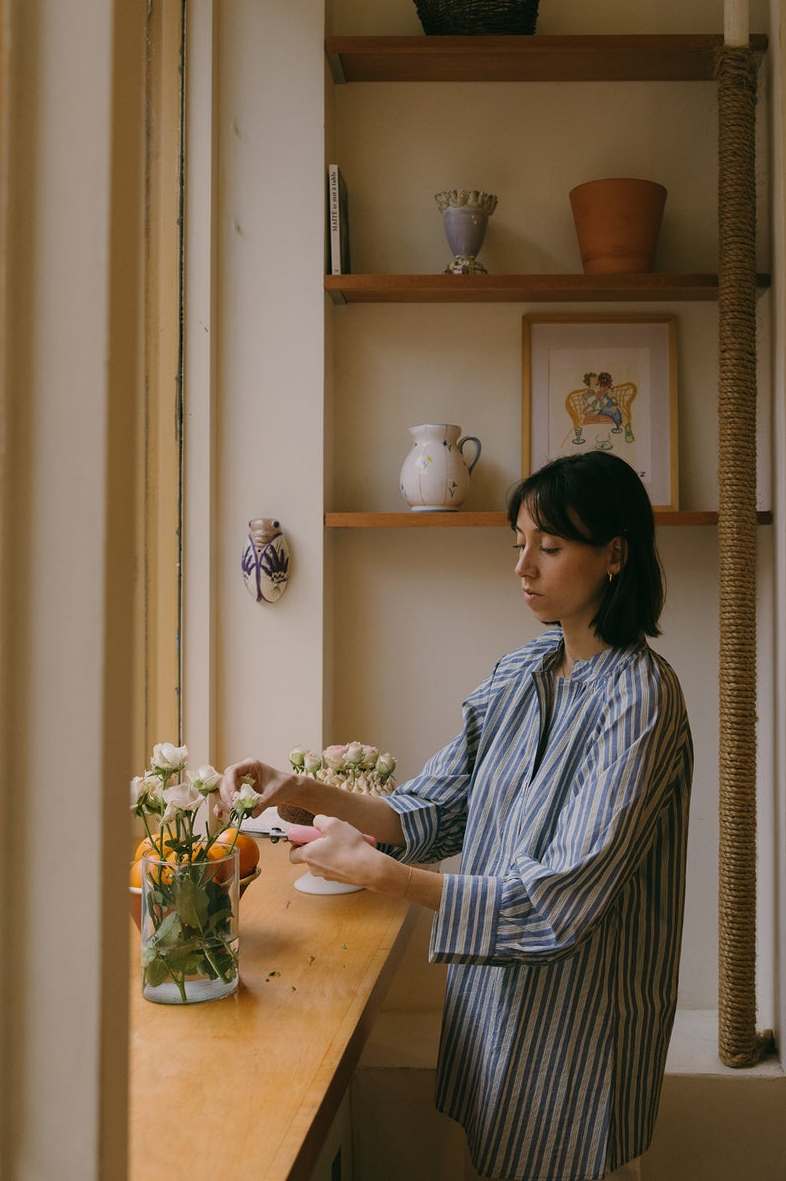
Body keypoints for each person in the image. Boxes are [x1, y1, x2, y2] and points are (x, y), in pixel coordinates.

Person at [227, 452, 691, 1181]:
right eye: (518, 545)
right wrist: (306, 791)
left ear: (615, 555)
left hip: (576, 1033)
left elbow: (556, 904)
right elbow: (432, 809)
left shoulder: (641, 699)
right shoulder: (521, 672)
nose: (523, 568)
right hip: (494, 1018)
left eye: (550, 546)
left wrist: (384, 878)